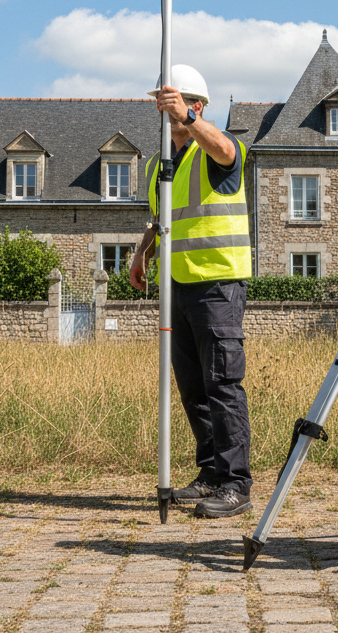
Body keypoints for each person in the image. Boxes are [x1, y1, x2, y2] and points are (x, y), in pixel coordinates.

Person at [130, 64, 253, 518]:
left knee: (222, 383)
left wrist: (189, 119)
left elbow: (223, 148)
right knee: (193, 388)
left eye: (170, 106)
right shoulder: (161, 165)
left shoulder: (217, 150)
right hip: (177, 287)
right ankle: (211, 474)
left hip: (218, 282)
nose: (162, 115)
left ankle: (237, 482)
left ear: (194, 106)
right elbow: (163, 221)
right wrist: (142, 252)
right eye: (161, 107)